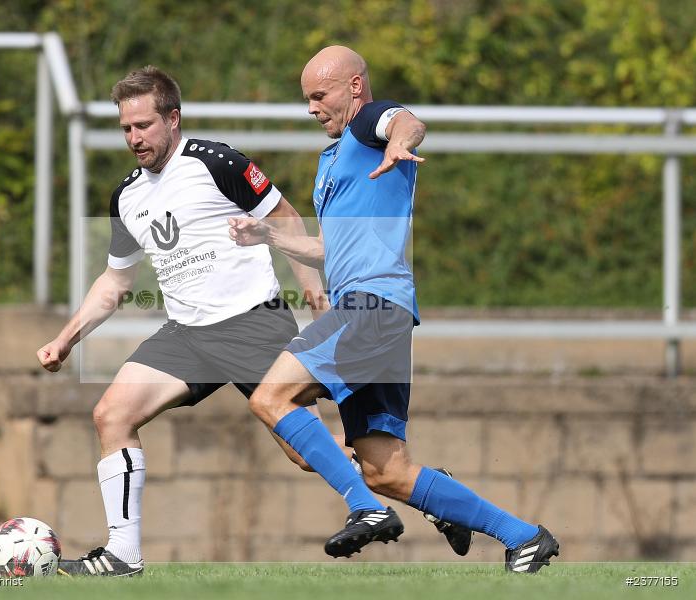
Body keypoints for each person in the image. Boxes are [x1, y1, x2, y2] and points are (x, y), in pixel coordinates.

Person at [230, 46, 559, 573]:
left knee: (271, 397)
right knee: (388, 470)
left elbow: (406, 121)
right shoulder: (334, 158)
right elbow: (330, 249)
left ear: (355, 87)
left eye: (320, 95)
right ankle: (523, 537)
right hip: (374, 311)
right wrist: (270, 235)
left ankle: (365, 508)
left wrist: (401, 144)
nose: (312, 108)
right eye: (306, 99)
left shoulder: (367, 123)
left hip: (372, 305)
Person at [36, 66, 329, 576]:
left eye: (144, 125)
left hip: (253, 325)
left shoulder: (217, 162)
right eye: (126, 128)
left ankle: (415, 485)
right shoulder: (126, 197)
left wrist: (310, 286)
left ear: (173, 119)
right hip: (187, 335)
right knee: (112, 415)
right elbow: (115, 282)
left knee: (308, 455)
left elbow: (284, 216)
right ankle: (122, 555)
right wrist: (65, 340)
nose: (134, 138)